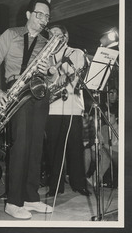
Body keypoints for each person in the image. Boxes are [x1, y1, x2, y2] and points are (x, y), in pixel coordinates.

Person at [0, 0, 54, 219]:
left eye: (47, 16)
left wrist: (50, 71)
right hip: (17, 90)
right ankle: (13, 202)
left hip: (39, 93)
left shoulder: (46, 43)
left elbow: (53, 75)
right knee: (21, 144)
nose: (43, 19)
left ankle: (31, 198)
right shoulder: (11, 34)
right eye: (39, 14)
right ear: (28, 14)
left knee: (36, 147)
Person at [45, 25, 91, 197]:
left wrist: (67, 75)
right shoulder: (46, 57)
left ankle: (79, 183)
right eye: (50, 35)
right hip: (52, 108)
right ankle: (55, 186)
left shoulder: (75, 53)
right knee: (54, 149)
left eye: (57, 34)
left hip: (73, 107)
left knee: (75, 148)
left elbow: (78, 73)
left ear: (65, 36)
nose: (53, 37)